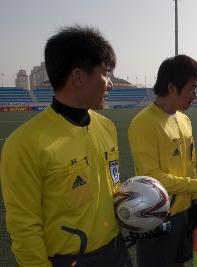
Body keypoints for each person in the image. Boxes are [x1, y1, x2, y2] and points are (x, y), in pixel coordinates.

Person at [0, 26, 133, 267]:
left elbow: (110, 189)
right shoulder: (24, 143)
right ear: (79, 77)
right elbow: (23, 227)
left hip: (117, 251)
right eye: (105, 74)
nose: (110, 84)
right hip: (70, 260)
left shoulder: (107, 127)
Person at [128, 54, 197, 267]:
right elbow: (153, 178)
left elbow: (191, 165)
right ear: (172, 87)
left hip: (183, 213)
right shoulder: (143, 123)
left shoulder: (184, 119)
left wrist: (196, 200)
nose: (195, 95)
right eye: (191, 88)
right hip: (156, 217)